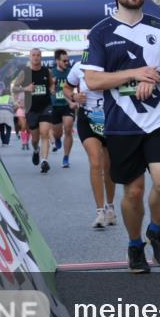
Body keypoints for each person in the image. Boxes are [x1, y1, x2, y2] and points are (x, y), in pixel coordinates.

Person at [82, 0, 160, 274]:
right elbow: (93, 80)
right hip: (121, 122)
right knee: (134, 191)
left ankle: (155, 230)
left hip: (158, 119)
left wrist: (153, 77)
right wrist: (133, 74)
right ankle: (135, 244)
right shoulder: (100, 32)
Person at [65, 52, 117, 229]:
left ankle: (110, 206)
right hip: (87, 119)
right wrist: (73, 97)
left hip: (110, 119)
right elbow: (66, 88)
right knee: (95, 162)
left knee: (108, 166)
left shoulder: (112, 63)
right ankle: (100, 212)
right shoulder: (79, 66)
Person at [12, 48, 54, 173]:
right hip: (31, 109)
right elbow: (14, 88)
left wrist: (52, 88)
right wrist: (26, 88)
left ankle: (44, 161)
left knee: (44, 133)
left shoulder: (47, 71)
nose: (36, 57)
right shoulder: (25, 72)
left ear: (41, 57)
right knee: (35, 139)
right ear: (30, 57)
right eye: (33, 55)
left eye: (38, 55)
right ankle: (36, 150)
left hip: (46, 106)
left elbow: (51, 84)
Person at [50, 49, 75, 168]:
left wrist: (74, 99)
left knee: (68, 128)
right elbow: (49, 90)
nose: (67, 63)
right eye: (64, 61)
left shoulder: (71, 72)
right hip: (55, 105)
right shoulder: (51, 73)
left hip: (67, 105)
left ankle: (66, 157)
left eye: (67, 61)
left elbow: (77, 87)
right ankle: (57, 138)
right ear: (57, 61)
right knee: (57, 132)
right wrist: (52, 87)